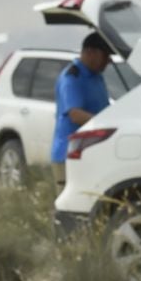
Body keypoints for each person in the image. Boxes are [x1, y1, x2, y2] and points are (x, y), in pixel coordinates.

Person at [51, 32, 113, 187]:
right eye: (105, 56)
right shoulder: (72, 78)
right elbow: (75, 115)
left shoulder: (96, 76)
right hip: (68, 155)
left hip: (90, 153)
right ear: (90, 52)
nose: (108, 61)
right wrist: (105, 123)